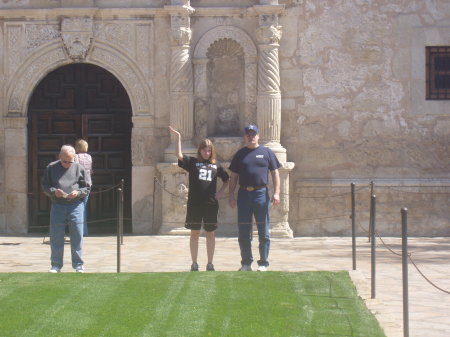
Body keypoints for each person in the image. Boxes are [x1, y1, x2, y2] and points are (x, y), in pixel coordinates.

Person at [169, 126, 229, 271]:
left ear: (212, 151)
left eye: (209, 150)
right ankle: (194, 263)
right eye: (204, 150)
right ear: (200, 150)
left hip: (210, 205)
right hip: (194, 204)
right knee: (194, 233)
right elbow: (179, 154)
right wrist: (178, 138)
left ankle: (210, 263)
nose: (206, 152)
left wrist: (220, 193)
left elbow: (227, 179)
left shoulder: (216, 166)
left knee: (210, 233)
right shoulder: (193, 163)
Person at [228, 124, 281, 272]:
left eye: (253, 134)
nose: (251, 137)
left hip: (260, 194)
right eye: (248, 134)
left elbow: (275, 173)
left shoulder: (267, 152)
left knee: (263, 230)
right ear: (245, 137)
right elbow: (233, 177)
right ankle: (246, 263)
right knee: (243, 230)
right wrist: (231, 195)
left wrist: (276, 193)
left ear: (258, 136)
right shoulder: (240, 154)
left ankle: (263, 262)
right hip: (244, 194)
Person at [42, 145, 90, 273]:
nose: (68, 164)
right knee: (56, 235)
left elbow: (86, 188)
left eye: (71, 161)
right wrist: (53, 191)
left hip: (75, 205)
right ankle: (56, 265)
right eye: (65, 161)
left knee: (77, 235)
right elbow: (45, 185)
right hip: (58, 204)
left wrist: (78, 193)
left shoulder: (79, 168)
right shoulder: (51, 168)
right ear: (60, 157)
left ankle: (78, 264)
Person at [74, 139, 93, 237]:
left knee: (78, 208)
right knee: (84, 207)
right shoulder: (89, 157)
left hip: (79, 186)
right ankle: (84, 231)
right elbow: (90, 171)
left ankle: (80, 231)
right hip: (88, 184)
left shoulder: (76, 157)